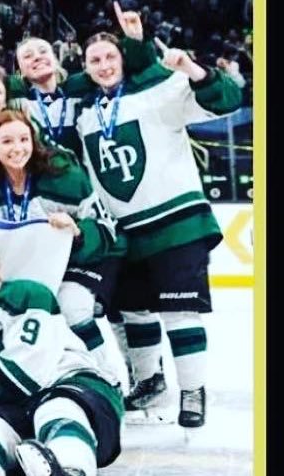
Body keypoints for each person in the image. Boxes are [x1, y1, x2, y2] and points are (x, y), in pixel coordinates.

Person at [74, 26, 242, 428]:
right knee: (133, 311)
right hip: (124, 231)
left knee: (180, 310)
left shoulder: (160, 93)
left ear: (123, 60)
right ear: (85, 67)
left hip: (176, 223)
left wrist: (191, 69)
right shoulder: (84, 114)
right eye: (94, 60)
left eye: (110, 57)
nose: (103, 66)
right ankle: (149, 381)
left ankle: (193, 391)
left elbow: (226, 100)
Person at [0, 226, 122, 476]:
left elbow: (26, 371)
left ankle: (72, 470)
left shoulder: (27, 293)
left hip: (72, 386)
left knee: (56, 409)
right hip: (18, 404)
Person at [0, 109, 131, 394]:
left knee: (72, 306)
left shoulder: (64, 175)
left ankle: (108, 378)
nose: (17, 148)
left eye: (24, 139)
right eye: (7, 141)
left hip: (78, 261)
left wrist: (77, 230)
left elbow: (105, 228)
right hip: (26, 273)